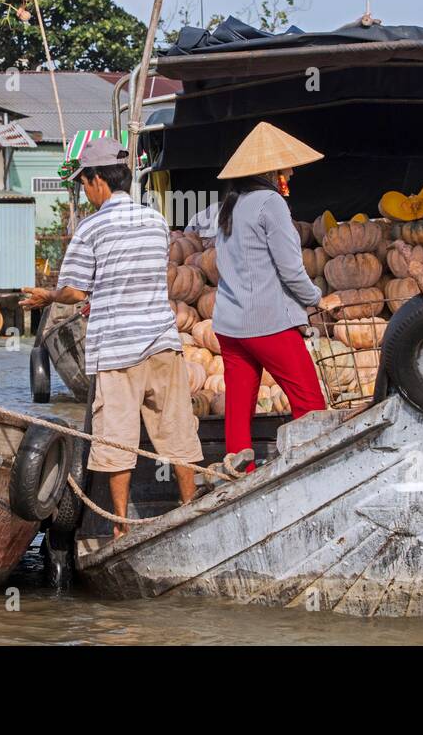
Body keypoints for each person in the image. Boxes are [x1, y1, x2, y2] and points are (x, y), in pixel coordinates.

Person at [20, 137, 203, 537]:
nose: (85, 192)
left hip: (119, 349)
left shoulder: (92, 227)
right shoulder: (155, 221)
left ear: (98, 180)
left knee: (116, 439)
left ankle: (120, 526)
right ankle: (190, 509)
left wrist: (47, 296)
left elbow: (75, 292)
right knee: (177, 430)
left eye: (85, 183)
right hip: (162, 341)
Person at [211, 122, 329, 466]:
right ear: (270, 170)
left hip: (229, 326)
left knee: (237, 411)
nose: (291, 172)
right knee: (310, 404)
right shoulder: (270, 203)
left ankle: (241, 475)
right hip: (267, 324)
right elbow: (291, 269)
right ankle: (310, 471)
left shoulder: (230, 205)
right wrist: (317, 299)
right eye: (286, 166)